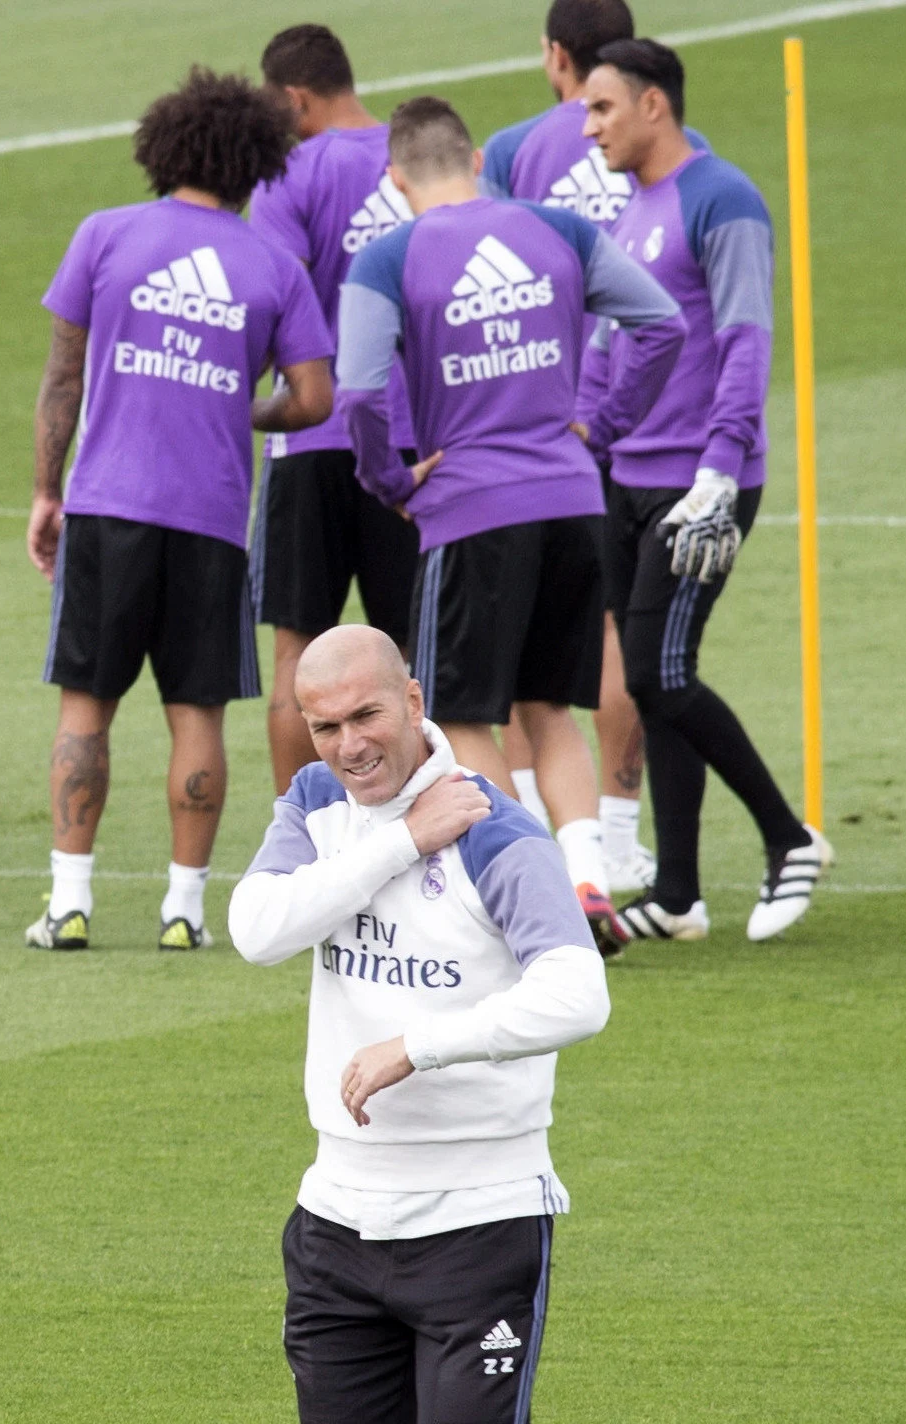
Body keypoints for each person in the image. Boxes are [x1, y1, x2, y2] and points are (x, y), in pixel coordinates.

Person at [228, 623, 656, 1424]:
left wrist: (414, 1047)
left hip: (478, 1223)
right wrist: (394, 842)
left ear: (410, 694)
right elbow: (256, 928)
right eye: (323, 725)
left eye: (364, 716)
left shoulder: (496, 831)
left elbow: (577, 994)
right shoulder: (318, 808)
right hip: (334, 1231)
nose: (346, 745)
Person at [333, 96, 683, 956]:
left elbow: (355, 390)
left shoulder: (389, 256)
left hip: (472, 507)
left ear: (395, 177)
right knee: (550, 710)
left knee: (457, 715)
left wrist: (388, 480)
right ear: (479, 158)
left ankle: (531, 893)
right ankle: (588, 877)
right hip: (571, 501)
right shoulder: (557, 229)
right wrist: (601, 423)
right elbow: (661, 324)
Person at [26, 68, 335, 953]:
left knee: (87, 706)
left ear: (161, 148)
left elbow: (62, 377)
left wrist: (48, 491)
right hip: (211, 519)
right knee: (196, 712)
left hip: (106, 506)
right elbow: (313, 398)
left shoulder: (106, 235)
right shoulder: (273, 266)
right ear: (256, 165)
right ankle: (183, 910)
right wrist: (247, 406)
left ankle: (70, 905)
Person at [576, 41, 831, 942]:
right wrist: (583, 439)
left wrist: (723, 465)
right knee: (650, 685)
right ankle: (679, 894)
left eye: (602, 108)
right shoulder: (627, 210)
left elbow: (745, 335)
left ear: (653, 105)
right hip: (625, 478)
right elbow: (607, 345)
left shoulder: (723, 198)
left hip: (699, 482)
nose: (589, 123)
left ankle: (788, 836)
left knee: (657, 671)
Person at [481, 0, 706, 888]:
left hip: (545, 417)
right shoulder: (673, 150)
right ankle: (614, 835)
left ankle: (536, 829)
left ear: (554, 55)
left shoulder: (513, 149)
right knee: (622, 636)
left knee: (518, 641)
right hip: (649, 418)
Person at [249, 24, 417, 803]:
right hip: (414, 441)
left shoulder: (287, 173)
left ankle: (306, 842)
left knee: (296, 652)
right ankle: (428, 830)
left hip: (311, 434)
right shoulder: (415, 153)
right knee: (412, 655)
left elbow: (274, 297)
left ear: (294, 98)